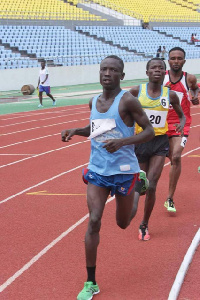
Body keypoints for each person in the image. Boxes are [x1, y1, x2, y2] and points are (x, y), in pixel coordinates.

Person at [61, 55, 155, 300]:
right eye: (104, 69)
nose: (107, 73)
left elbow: (149, 131)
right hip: (98, 171)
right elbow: (97, 129)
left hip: (124, 171)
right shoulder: (93, 101)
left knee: (123, 223)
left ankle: (138, 187)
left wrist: (123, 141)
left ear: (121, 76)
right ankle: (90, 281)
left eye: (113, 70)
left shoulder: (128, 101)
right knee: (94, 220)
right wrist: (76, 131)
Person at [129, 58, 186, 241]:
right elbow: (122, 109)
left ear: (165, 72)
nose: (157, 70)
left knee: (152, 185)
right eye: (153, 68)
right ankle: (135, 201)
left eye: (161, 68)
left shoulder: (170, 95)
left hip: (160, 142)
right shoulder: (137, 91)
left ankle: (144, 224)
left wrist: (181, 124)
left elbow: (181, 115)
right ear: (147, 72)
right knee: (141, 185)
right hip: (140, 142)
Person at [163, 47, 199, 212]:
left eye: (179, 58)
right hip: (161, 124)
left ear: (184, 61)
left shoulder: (189, 78)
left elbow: (195, 88)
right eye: (173, 58)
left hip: (180, 122)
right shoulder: (160, 77)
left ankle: (169, 198)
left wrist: (195, 95)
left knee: (176, 157)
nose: (176, 61)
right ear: (168, 60)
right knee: (165, 158)